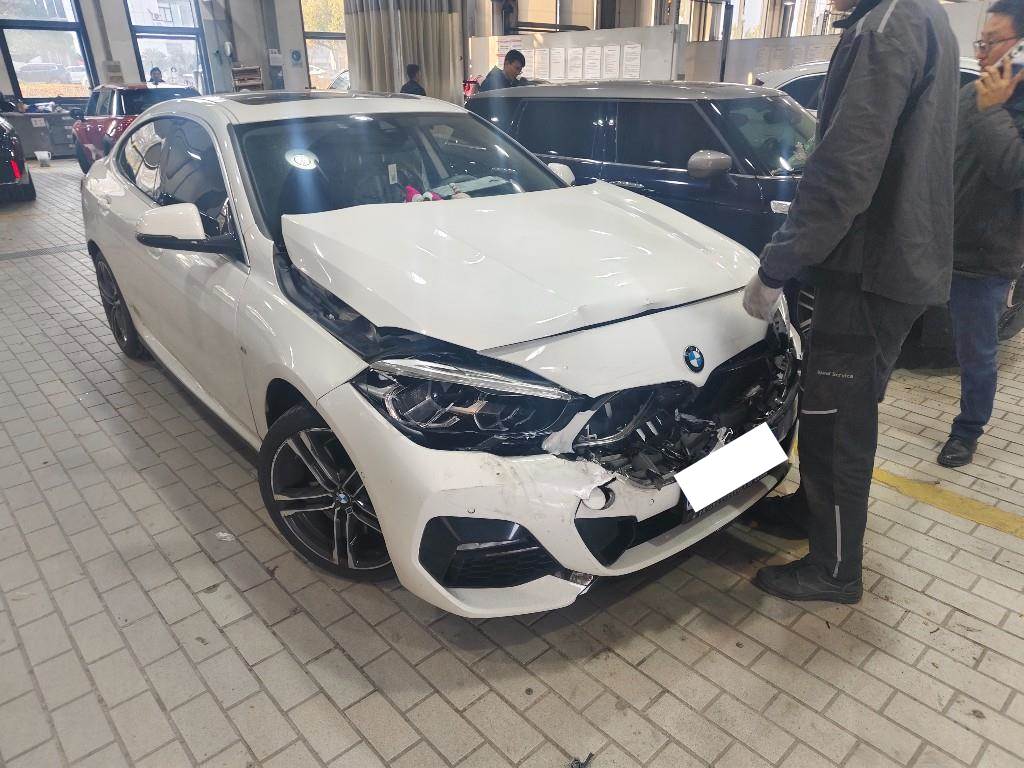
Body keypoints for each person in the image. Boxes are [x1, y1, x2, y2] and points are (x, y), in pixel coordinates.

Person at [741, 0, 959, 603]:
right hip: (893, 258)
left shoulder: (884, 27)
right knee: (830, 409)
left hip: (870, 268)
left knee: (839, 424)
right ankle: (812, 514)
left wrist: (777, 264)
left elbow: (843, 170)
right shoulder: (924, 16)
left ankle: (835, 570)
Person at [938, 0, 1024, 468]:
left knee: (976, 353)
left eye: (994, 42)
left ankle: (968, 430)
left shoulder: (998, 104)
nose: (983, 52)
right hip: (933, 245)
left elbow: (1011, 170)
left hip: (984, 257)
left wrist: (993, 111)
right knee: (889, 332)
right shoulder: (970, 94)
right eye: (981, 42)